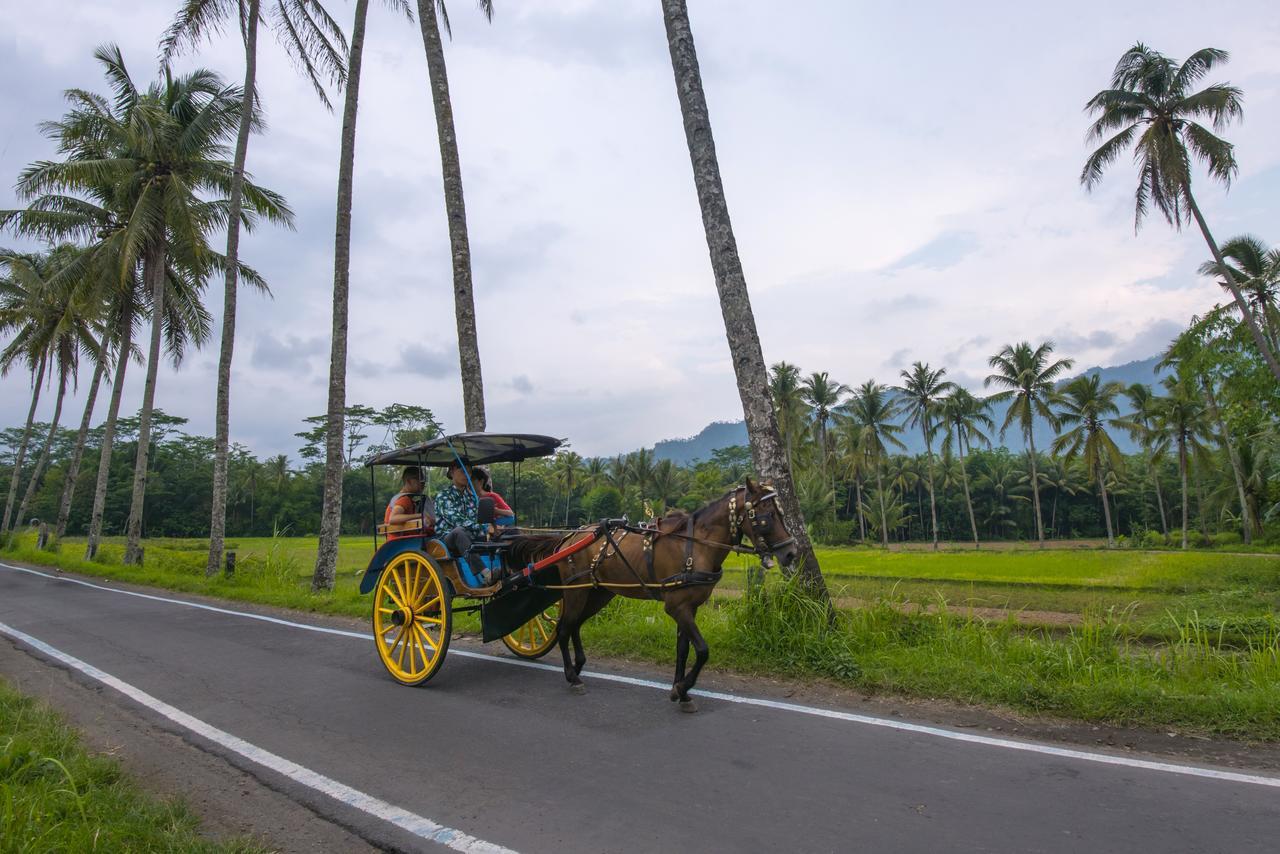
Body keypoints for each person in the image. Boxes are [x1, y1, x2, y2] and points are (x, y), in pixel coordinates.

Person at [434, 460, 488, 562]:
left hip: (470, 536)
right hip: (448, 538)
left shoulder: (472, 497)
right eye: (463, 471)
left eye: (469, 472)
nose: (467, 475)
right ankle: (485, 573)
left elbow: (476, 518)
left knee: (505, 533)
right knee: (459, 531)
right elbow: (456, 520)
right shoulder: (444, 496)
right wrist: (483, 527)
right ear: (451, 473)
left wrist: (489, 527)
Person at [384, 466, 433, 540]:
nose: (423, 483)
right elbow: (393, 518)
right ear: (409, 481)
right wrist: (420, 515)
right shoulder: (404, 499)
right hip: (401, 542)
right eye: (419, 480)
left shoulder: (404, 498)